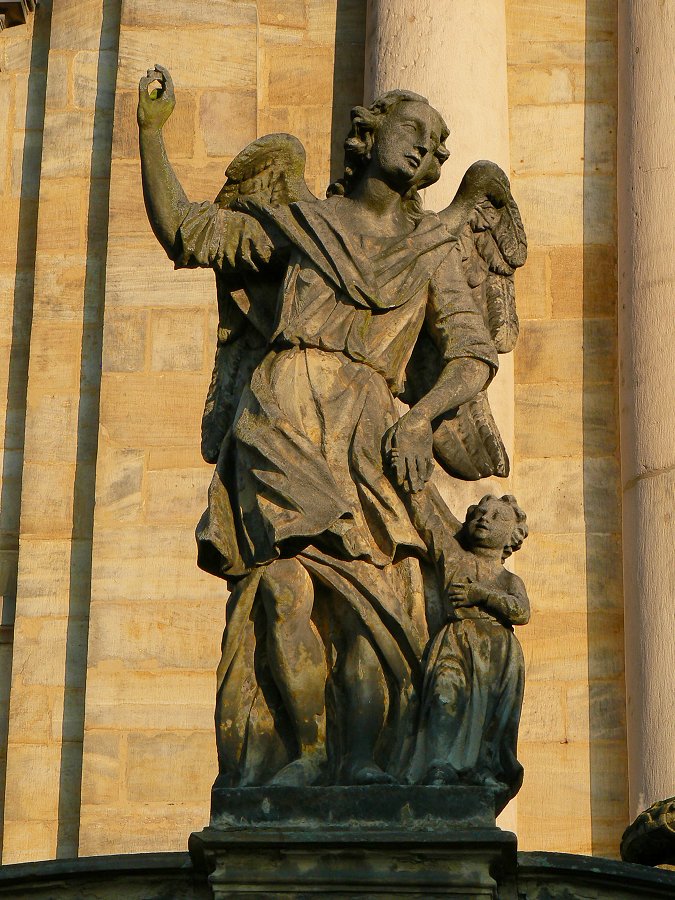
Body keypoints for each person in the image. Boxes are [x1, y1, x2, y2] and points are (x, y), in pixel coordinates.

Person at [138, 65, 499, 787]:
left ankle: (365, 763)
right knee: (282, 589)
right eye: (412, 130)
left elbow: (471, 357)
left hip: (369, 422)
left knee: (375, 600)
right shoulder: (301, 223)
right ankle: (302, 753)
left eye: (435, 144)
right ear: (365, 136)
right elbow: (188, 231)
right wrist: (151, 135)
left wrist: (420, 420)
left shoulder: (434, 248)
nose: (426, 148)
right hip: (282, 410)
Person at [408, 493, 529, 810]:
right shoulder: (455, 556)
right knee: (444, 694)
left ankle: (483, 768)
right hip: (457, 639)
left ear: (511, 538)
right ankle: (439, 764)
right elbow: (428, 522)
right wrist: (413, 484)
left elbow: (521, 612)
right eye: (479, 513)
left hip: (498, 650)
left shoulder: (508, 579)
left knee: (492, 714)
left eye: (496, 517)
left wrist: (482, 594)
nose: (484, 518)